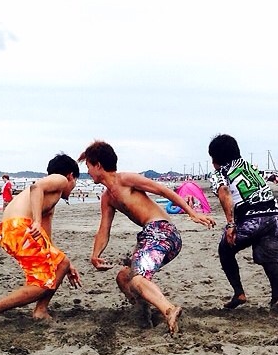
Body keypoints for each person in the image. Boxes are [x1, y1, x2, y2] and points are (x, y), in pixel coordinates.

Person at [80, 140, 215, 335]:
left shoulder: (125, 179)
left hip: (162, 231)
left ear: (98, 165)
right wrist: (95, 255)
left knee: (138, 279)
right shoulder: (108, 198)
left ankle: (169, 310)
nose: (88, 171)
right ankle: (145, 314)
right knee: (124, 277)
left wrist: (192, 213)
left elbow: (162, 190)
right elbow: (104, 229)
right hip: (148, 236)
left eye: (88, 166)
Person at [0, 154, 82, 322]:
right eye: (75, 181)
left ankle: (41, 310)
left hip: (9, 230)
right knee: (42, 284)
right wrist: (36, 221)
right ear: (71, 176)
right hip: (20, 227)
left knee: (62, 263)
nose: (72, 187)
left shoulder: (48, 200)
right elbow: (36, 187)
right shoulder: (61, 179)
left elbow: (46, 241)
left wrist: (66, 264)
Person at [207, 133, 278, 313]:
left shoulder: (220, 173)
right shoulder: (249, 166)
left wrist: (230, 224)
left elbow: (224, 192)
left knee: (225, 249)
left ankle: (239, 293)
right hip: (275, 217)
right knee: (271, 261)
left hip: (251, 219)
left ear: (216, 159)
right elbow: (269, 178)